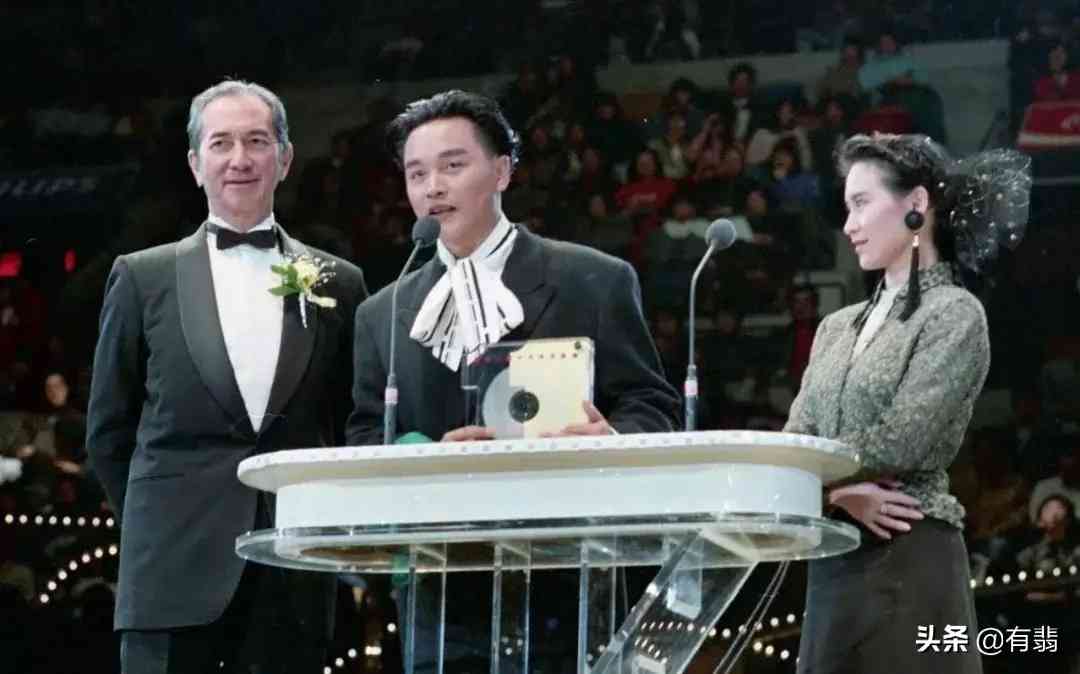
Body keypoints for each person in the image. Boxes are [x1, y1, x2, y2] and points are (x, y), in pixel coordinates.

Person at [345, 89, 680, 671]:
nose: (433, 188)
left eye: (453, 165)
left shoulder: (591, 279)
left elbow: (651, 404)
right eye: (417, 174)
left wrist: (611, 437)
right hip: (440, 595)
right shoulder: (384, 312)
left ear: (502, 171)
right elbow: (366, 435)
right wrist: (428, 455)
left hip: (572, 578)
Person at [86, 79, 368, 674]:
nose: (239, 159)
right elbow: (107, 433)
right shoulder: (141, 278)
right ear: (195, 164)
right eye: (221, 143)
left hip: (292, 573)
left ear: (284, 159)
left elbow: (350, 426)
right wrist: (159, 526)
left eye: (257, 141)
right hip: (168, 574)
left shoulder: (339, 282)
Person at [784, 133, 1031, 674]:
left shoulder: (954, 314)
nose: (849, 225)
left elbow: (901, 440)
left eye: (861, 203)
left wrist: (819, 479)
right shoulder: (834, 328)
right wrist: (839, 494)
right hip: (833, 562)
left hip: (909, 552)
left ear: (916, 203)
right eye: (847, 207)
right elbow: (792, 445)